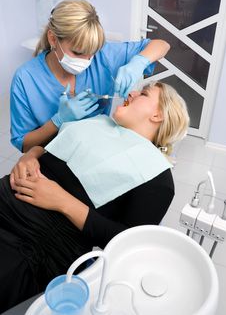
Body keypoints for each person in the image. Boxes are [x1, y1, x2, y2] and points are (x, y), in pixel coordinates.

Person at [0, 81, 189, 312]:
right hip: (5, 197)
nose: (131, 92)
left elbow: (126, 244)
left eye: (143, 93)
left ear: (158, 114)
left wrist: (62, 201)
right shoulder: (96, 123)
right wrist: (31, 154)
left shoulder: (157, 178)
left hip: (33, 242)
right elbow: (50, 148)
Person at [10, 0, 170, 153]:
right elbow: (24, 145)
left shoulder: (104, 56)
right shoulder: (25, 79)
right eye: (78, 52)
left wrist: (139, 62)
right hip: (53, 158)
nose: (87, 61)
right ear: (53, 38)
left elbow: (162, 45)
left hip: (93, 152)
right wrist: (57, 121)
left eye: (91, 54)